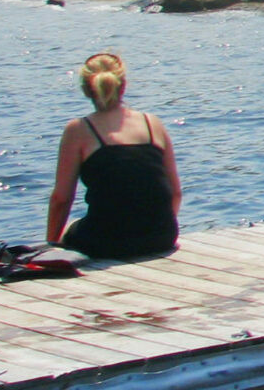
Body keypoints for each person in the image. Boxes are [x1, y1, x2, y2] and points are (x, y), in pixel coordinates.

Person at [46, 52, 180, 261]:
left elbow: (61, 199)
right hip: (163, 237)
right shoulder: (152, 123)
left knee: (69, 233)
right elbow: (175, 193)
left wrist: (51, 245)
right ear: (123, 85)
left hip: (106, 242)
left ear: (86, 90)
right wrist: (156, 229)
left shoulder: (79, 129)